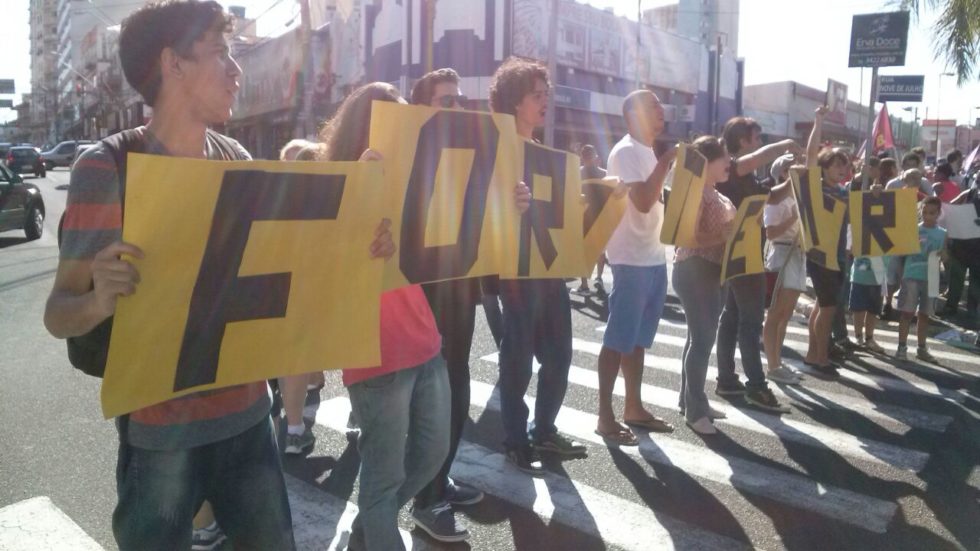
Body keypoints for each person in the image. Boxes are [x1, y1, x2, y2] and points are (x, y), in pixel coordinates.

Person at [41, 3, 385, 548]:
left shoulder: (236, 158)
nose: (236, 68)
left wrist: (364, 237)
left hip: (249, 420)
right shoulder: (106, 167)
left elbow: (300, 265)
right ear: (172, 65)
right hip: (159, 433)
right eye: (221, 52)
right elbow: (59, 314)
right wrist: (97, 301)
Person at [318, 82, 454, 549]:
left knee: (431, 455)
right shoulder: (335, 182)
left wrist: (509, 203)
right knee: (384, 474)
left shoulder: (414, 175)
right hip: (375, 355)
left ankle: (366, 530)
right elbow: (319, 268)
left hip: (424, 342)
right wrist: (357, 199)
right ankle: (376, 532)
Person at [408, 67, 531, 540]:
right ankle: (425, 498)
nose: (457, 108)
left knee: (457, 395)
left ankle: (438, 481)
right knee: (430, 403)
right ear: (422, 108)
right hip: (420, 301)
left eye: (460, 100)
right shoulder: (409, 158)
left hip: (460, 297)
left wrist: (514, 202)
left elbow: (492, 225)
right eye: (445, 100)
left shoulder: (477, 160)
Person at [490, 57, 586, 471]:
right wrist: (506, 204)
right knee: (518, 359)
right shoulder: (498, 149)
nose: (545, 101)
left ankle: (544, 431)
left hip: (548, 266)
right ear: (515, 103)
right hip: (514, 270)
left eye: (547, 94)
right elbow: (479, 208)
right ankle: (516, 438)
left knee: (560, 354)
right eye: (536, 95)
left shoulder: (545, 154)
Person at [593, 90, 676, 446]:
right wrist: (667, 163)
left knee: (637, 341)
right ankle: (604, 415)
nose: (661, 110)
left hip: (655, 257)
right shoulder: (626, 151)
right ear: (632, 115)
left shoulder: (647, 152)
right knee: (617, 340)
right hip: (630, 260)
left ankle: (633, 407)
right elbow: (642, 201)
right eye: (653, 105)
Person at [713, 116, 800, 413]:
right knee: (750, 323)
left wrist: (794, 180)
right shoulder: (734, 167)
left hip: (745, 251)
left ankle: (726, 377)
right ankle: (757, 387)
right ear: (741, 140)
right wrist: (783, 146)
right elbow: (752, 160)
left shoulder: (745, 177)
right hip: (742, 252)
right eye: (757, 136)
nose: (761, 142)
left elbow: (771, 196)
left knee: (733, 318)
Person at [672, 135, 737, 435]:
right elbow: (688, 238)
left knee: (697, 339)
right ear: (707, 162)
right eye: (724, 157)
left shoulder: (715, 192)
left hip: (713, 271)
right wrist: (723, 237)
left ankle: (691, 401)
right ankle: (695, 411)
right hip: (695, 269)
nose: (729, 162)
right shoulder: (697, 192)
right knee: (702, 340)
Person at [802, 107, 850, 379]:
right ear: (824, 167)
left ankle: (813, 354)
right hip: (821, 255)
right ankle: (820, 357)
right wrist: (818, 121)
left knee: (823, 306)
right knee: (829, 308)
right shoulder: (816, 188)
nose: (841, 170)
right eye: (836, 165)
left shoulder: (843, 191)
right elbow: (810, 157)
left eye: (844, 165)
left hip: (839, 256)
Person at [761, 154, 806, 385]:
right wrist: (793, 220)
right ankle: (772, 364)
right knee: (776, 313)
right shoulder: (775, 198)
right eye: (790, 167)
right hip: (781, 254)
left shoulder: (802, 196)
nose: (797, 170)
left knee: (786, 314)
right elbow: (770, 232)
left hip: (798, 254)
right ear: (782, 173)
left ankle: (777, 360)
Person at [895, 196, 947, 362]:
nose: (927, 216)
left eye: (931, 213)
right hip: (911, 275)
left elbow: (945, 257)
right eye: (924, 212)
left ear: (938, 214)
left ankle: (921, 348)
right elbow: (902, 252)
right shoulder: (914, 229)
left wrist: (942, 255)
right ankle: (901, 347)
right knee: (906, 313)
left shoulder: (943, 233)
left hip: (931, 277)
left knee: (924, 314)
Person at [577, 144, 609, 296]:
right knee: (600, 250)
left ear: (582, 157)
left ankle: (584, 285)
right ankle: (599, 277)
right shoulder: (604, 174)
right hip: (601, 215)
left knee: (583, 251)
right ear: (595, 156)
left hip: (583, 215)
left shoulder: (578, 173)